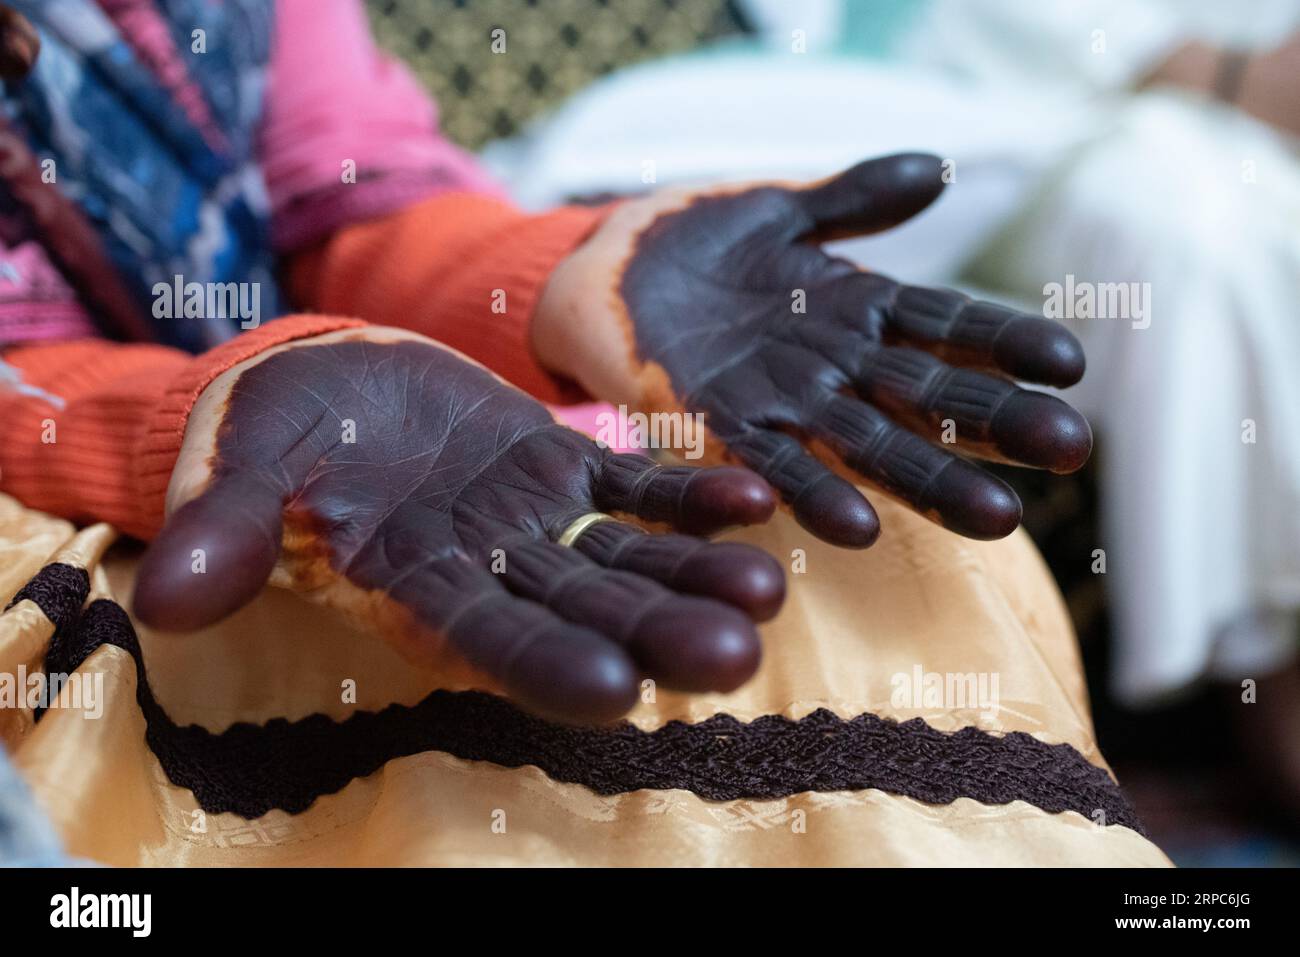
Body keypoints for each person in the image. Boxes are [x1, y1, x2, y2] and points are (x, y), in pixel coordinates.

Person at [0, 1, 1160, 867]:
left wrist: (559, 278)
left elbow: (351, 196)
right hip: (58, 490)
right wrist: (194, 413)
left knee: (879, 541)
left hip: (295, 427)